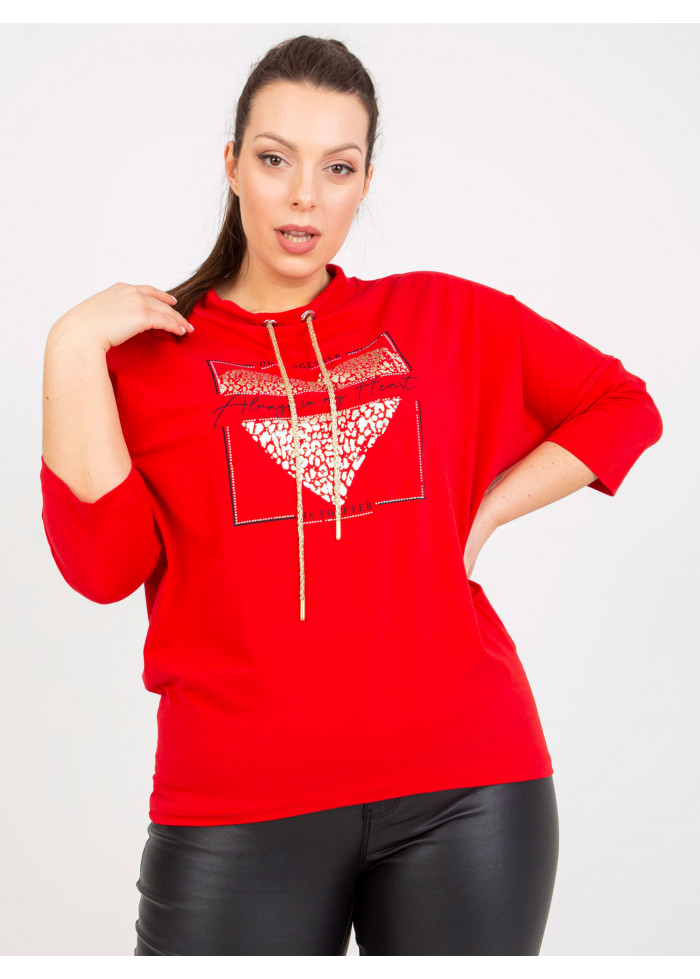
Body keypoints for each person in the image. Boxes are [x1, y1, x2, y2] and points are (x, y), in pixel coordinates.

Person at [40, 35, 663, 956]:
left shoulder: (441, 315)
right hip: (236, 803)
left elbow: (621, 405)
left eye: (337, 167)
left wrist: (486, 510)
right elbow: (103, 568)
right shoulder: (146, 357)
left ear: (365, 181)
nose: (305, 196)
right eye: (275, 159)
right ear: (232, 165)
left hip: (470, 787)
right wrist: (69, 345)